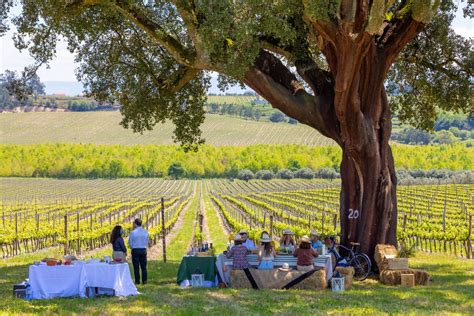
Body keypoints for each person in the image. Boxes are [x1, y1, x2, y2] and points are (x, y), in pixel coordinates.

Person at [129, 218, 149, 285]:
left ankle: (137, 281)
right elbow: (147, 242)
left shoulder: (133, 232)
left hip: (135, 250)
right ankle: (144, 281)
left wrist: (133, 247)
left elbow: (130, 243)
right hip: (143, 250)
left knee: (136, 267)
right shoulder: (146, 232)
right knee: (144, 266)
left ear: (135, 224)